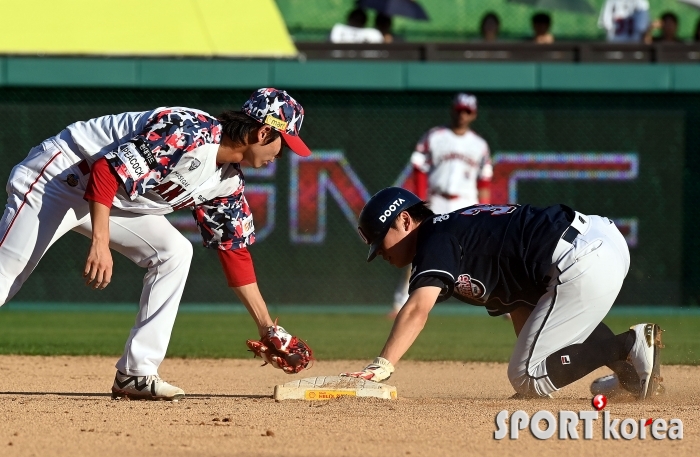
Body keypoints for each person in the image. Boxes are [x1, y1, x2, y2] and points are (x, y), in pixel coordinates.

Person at [0, 88, 314, 401]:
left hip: (112, 200)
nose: (281, 155)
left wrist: (267, 328)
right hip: (59, 177)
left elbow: (233, 250)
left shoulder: (228, 181)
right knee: (7, 273)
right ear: (262, 132)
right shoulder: (188, 132)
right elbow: (106, 171)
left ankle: (136, 374)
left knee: (174, 252)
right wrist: (100, 241)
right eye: (282, 145)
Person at [344, 187, 664, 400]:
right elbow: (524, 308)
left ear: (403, 219)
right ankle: (633, 374)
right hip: (600, 243)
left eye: (380, 240)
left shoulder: (434, 238)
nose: (380, 253)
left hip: (580, 258)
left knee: (526, 376)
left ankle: (629, 344)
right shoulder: (457, 229)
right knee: (536, 357)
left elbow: (417, 308)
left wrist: (382, 364)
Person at [389, 93, 492, 318]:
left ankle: (501, 302)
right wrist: (420, 201)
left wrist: (485, 209)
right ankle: (400, 303)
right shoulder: (435, 136)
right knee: (417, 248)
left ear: (473, 114)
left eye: (467, 111)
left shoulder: (479, 145)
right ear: (452, 110)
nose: (462, 115)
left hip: (467, 201)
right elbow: (419, 168)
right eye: (459, 110)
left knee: (482, 252)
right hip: (436, 199)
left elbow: (484, 180)